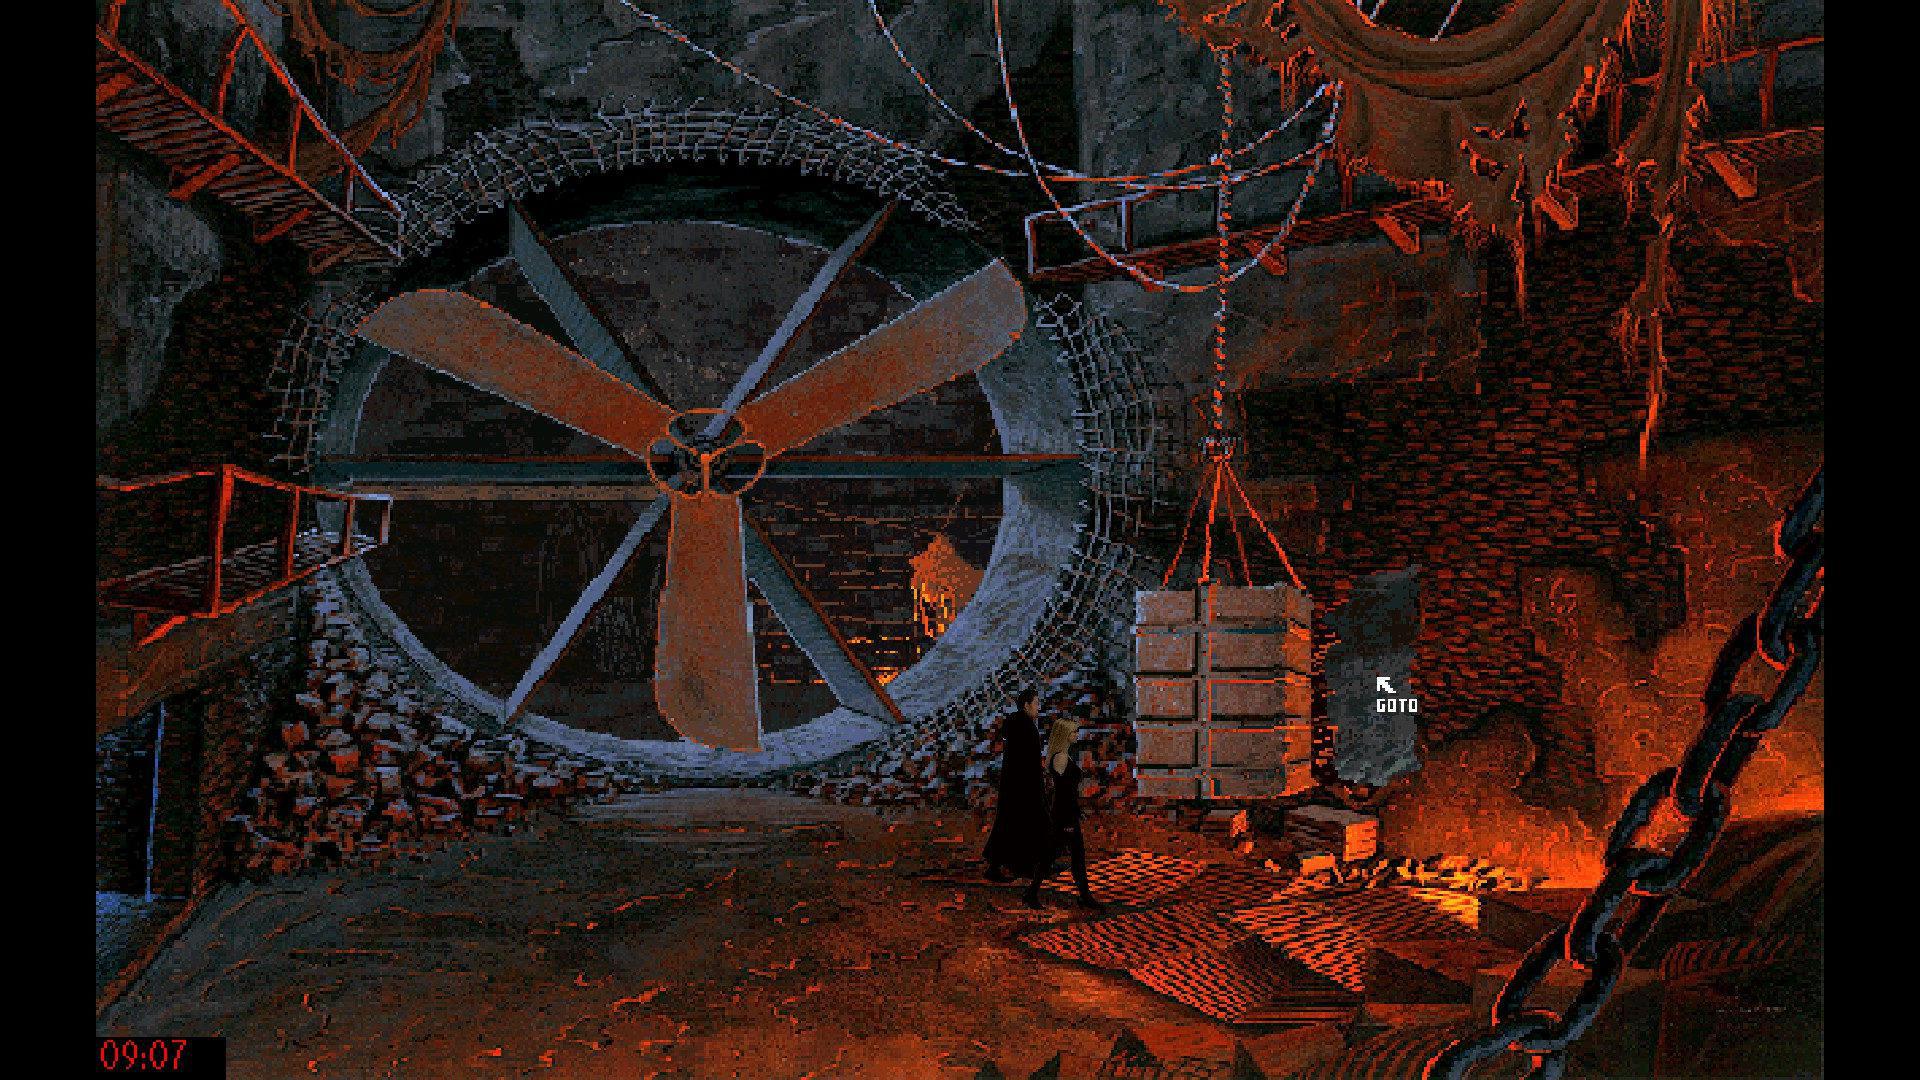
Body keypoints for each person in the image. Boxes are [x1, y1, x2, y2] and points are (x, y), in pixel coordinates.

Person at [1024, 710, 1101, 909]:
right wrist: (1069, 817)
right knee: (1067, 856)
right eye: (1073, 732)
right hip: (1064, 814)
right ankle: (1083, 896)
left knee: (1058, 855)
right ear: (1065, 734)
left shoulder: (1062, 756)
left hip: (1065, 812)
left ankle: (1035, 893)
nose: (1076, 734)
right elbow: (1064, 791)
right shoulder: (1061, 758)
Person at [981, 687, 1048, 883]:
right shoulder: (1024, 726)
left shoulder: (1019, 724)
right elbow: (1026, 759)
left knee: (1012, 824)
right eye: (1036, 703)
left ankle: (1016, 865)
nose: (1038, 707)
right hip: (1023, 785)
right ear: (1026, 705)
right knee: (1017, 825)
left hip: (1016, 784)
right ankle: (1020, 866)